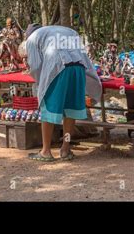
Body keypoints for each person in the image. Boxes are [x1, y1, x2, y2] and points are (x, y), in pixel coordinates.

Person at [25, 23, 102, 162]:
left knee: (48, 107)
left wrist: (41, 82)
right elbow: (84, 57)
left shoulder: (32, 39)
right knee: (70, 109)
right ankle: (65, 149)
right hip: (78, 68)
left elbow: (35, 66)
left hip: (58, 68)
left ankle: (46, 151)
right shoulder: (69, 31)